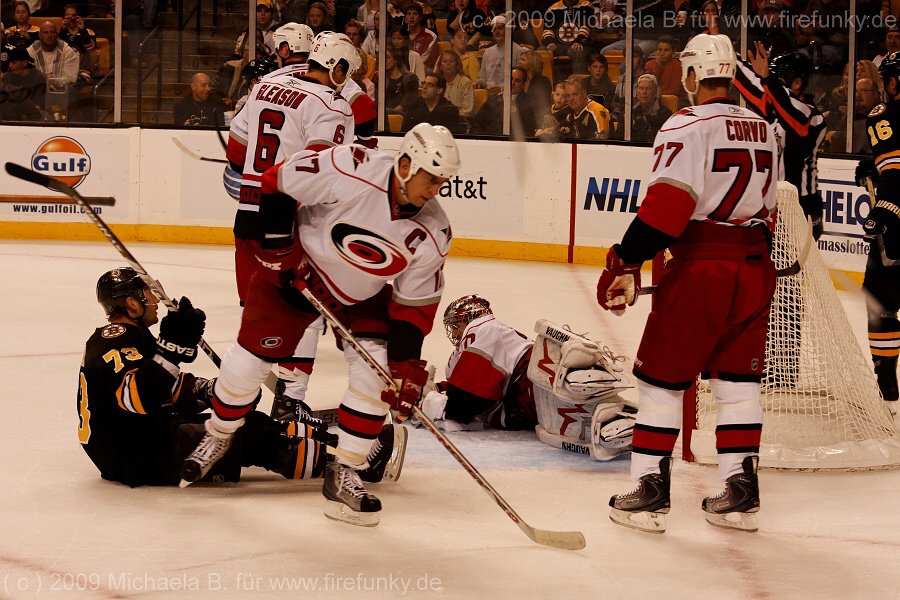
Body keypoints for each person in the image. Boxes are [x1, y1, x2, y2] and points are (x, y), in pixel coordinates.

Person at [180, 123, 461, 528]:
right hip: (296, 278)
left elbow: (413, 306)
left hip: (360, 296)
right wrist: (278, 246)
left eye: (443, 181)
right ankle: (220, 433)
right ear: (404, 164)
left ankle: (344, 470)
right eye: (430, 178)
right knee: (247, 366)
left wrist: (403, 366)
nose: (435, 189)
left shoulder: (433, 231)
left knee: (375, 376)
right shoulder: (351, 166)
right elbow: (277, 182)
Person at [598, 34, 781, 534]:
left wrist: (624, 260)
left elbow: (666, 213)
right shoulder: (765, 128)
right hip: (754, 267)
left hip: (702, 268)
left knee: (659, 382)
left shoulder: (686, 125)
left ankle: (649, 494)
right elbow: (770, 209)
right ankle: (741, 493)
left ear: (694, 75)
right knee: (738, 385)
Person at [79, 267, 337, 487]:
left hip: (140, 436)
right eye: (148, 295)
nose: (155, 300)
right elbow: (139, 397)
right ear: (132, 304)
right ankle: (335, 463)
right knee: (245, 438)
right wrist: (171, 349)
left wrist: (214, 391)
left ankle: (331, 442)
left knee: (248, 420)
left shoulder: (131, 336)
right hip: (130, 454)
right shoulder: (112, 339)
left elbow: (166, 389)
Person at [225, 30, 359, 427]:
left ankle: (238, 399)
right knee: (307, 310)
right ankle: (290, 399)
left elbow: (236, 152)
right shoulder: (333, 106)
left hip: (248, 214)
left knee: (258, 310)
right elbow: (322, 170)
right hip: (289, 222)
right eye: (346, 72)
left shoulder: (268, 84)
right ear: (335, 67)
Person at [418, 296, 636, 461]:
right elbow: (474, 384)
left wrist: (428, 399)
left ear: (471, 319)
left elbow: (464, 407)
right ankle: (635, 424)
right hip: (536, 403)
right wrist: (437, 388)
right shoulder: (491, 338)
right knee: (596, 424)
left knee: (586, 405)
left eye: (457, 326)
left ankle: (634, 424)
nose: (455, 334)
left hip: (538, 386)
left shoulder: (483, 329)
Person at [736, 45, 827, 239]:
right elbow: (751, 84)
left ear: (797, 83)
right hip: (773, 204)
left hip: (802, 206)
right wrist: (720, 44)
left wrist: (767, 78)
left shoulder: (812, 117)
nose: (768, 87)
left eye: (778, 80)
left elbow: (790, 111)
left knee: (796, 269)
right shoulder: (774, 113)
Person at [854, 51, 900, 415]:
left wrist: (885, 209)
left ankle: (886, 384)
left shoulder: (881, 116)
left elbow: (896, 174)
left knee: (880, 301)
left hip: (898, 223)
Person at [538, 76, 609, 141]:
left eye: (575, 95)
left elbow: (602, 144)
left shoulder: (596, 111)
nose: (571, 99)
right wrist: (542, 132)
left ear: (584, 94)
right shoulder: (570, 112)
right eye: (568, 96)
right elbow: (559, 129)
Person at [541, 0, 594, 76]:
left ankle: (578, 83)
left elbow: (586, 26)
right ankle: (547, 85)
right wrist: (550, 42)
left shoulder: (586, 6)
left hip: (580, 44)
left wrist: (579, 41)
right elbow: (548, 29)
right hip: (559, 46)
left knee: (578, 50)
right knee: (542, 50)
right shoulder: (552, 9)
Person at [0, 44, 45, 120]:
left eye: (13, 62)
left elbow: (41, 101)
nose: (10, 65)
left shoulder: (38, 77)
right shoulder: (7, 77)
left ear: (24, 62)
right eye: (9, 62)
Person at [629, 73, 672, 143]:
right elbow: (618, 138)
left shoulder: (666, 114)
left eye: (648, 88)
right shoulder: (630, 112)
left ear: (655, 92)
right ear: (636, 92)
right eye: (641, 88)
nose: (644, 92)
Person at [437, 49, 474, 117]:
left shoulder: (465, 82)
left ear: (457, 65)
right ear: (440, 66)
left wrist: (449, 116)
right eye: (444, 61)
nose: (448, 63)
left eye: (451, 61)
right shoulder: (436, 82)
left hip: (459, 121)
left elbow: (468, 110)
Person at [406, 2, 437, 69]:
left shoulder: (430, 36)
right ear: (405, 17)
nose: (411, 17)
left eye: (415, 14)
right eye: (409, 14)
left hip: (422, 71)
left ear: (421, 17)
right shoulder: (402, 35)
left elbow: (428, 62)